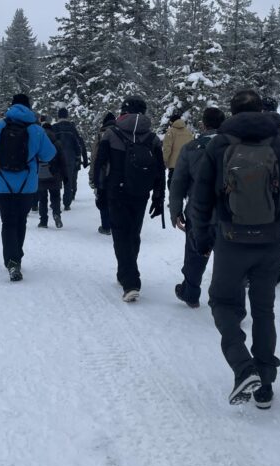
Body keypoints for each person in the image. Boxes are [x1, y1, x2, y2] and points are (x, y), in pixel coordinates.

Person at [189, 88, 280, 408]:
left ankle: (243, 367)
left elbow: (201, 198)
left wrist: (201, 237)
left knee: (222, 303)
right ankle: (265, 385)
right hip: (270, 240)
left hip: (230, 239)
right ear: (261, 111)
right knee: (264, 310)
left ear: (232, 112)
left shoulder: (218, 145)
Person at [93, 96, 165, 302]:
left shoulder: (111, 134)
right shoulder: (152, 138)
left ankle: (130, 282)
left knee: (120, 235)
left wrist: (99, 191)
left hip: (116, 191)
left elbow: (99, 164)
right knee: (133, 233)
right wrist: (159, 197)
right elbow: (160, 170)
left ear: (123, 111)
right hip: (141, 192)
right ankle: (125, 271)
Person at [0, 93, 56, 281]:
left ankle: (11, 260)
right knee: (21, 221)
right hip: (27, 186)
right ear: (29, 107)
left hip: (3, 185)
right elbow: (49, 154)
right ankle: (17, 257)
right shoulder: (36, 130)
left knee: (7, 222)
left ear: (12, 106)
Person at [169, 106, 225, 309]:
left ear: (204, 124)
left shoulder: (191, 148)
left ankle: (190, 292)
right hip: (229, 212)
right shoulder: (235, 146)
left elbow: (178, 183)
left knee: (195, 253)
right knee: (227, 256)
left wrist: (175, 211)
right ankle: (226, 300)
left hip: (198, 211)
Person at [51, 108, 88, 210]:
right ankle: (67, 203)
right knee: (68, 181)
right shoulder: (72, 128)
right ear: (67, 116)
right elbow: (78, 144)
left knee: (56, 181)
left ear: (58, 116)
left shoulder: (54, 127)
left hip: (56, 158)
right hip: (70, 158)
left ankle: (55, 202)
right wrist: (78, 157)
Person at [37, 122, 68, 228]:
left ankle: (43, 221)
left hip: (41, 173)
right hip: (55, 174)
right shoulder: (57, 143)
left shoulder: (38, 142)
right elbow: (63, 160)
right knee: (55, 197)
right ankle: (56, 214)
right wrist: (65, 176)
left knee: (42, 199)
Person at [89, 112, 115, 235]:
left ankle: (106, 226)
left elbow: (94, 157)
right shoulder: (122, 133)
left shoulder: (100, 135)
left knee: (102, 198)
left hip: (102, 172)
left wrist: (92, 176)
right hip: (118, 172)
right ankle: (115, 225)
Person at [162, 111, 194, 188]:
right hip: (187, 163)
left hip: (174, 165)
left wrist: (164, 160)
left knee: (173, 185)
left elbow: (167, 148)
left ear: (172, 122)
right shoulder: (188, 132)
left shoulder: (170, 132)